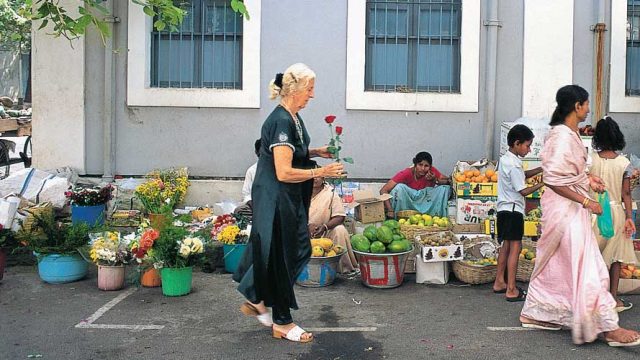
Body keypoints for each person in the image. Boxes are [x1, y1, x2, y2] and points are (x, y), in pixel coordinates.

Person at [519, 85, 640, 347]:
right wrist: (587, 200)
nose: (588, 109)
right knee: (591, 268)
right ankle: (607, 326)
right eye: (586, 105)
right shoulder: (563, 136)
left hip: (568, 211)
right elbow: (552, 180)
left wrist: (589, 180)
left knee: (558, 265)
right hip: (566, 212)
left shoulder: (568, 134)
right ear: (576, 106)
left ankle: (538, 313)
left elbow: (570, 175)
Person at [233, 63, 344, 343]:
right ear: (294, 90)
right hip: (276, 199)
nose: (312, 95)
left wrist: (316, 151)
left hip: (285, 198)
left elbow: (292, 151)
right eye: (310, 89)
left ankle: (255, 294)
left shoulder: (293, 117)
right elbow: (283, 171)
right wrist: (321, 171)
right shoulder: (281, 120)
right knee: (284, 257)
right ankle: (281, 321)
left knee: (290, 251)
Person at [589, 116, 637, 312]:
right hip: (616, 213)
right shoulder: (624, 163)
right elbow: (626, 193)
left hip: (592, 211)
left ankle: (592, 299)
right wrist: (628, 217)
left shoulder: (590, 159)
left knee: (592, 257)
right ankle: (613, 299)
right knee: (615, 259)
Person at [491, 124, 543, 301]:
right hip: (514, 210)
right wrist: (544, 183)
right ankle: (511, 289)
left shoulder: (507, 160)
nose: (529, 150)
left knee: (506, 246)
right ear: (516, 143)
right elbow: (523, 190)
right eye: (527, 146)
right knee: (516, 247)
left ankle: (499, 281)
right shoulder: (513, 164)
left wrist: (541, 169)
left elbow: (521, 175)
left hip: (504, 210)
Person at [308, 174, 358, 274]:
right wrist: (306, 227)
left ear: (323, 178)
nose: (314, 178)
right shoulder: (298, 192)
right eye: (311, 175)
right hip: (303, 232)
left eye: (318, 175)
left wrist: (324, 227)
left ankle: (342, 268)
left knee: (340, 230)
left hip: (325, 233)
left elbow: (340, 217)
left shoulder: (330, 194)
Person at [380, 151, 450, 219]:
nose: (423, 169)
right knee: (399, 188)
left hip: (425, 204)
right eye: (420, 165)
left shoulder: (431, 172)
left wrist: (434, 179)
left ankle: (434, 218)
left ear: (430, 167)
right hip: (407, 205)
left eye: (426, 166)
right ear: (415, 164)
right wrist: (390, 210)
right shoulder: (406, 173)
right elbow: (383, 190)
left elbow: (447, 182)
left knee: (444, 188)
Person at [234, 139, 261, 218]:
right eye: (261, 153)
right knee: (239, 211)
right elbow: (246, 194)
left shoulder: (278, 169)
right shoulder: (252, 171)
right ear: (256, 152)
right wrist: (253, 205)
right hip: (256, 206)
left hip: (274, 206)